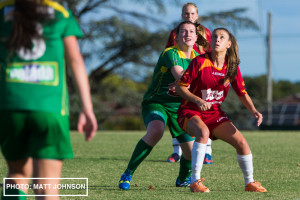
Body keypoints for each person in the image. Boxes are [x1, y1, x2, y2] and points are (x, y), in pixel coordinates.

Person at [0, 0, 98, 199]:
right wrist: (87, 109)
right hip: (50, 108)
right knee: (46, 187)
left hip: (11, 107)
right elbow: (76, 61)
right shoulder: (60, 14)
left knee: (16, 175)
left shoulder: (3, 11)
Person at [118, 21, 209, 190]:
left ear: (196, 37)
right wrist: (187, 84)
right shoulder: (171, 53)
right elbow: (180, 74)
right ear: (177, 35)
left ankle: (182, 179)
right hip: (157, 102)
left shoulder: (199, 59)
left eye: (191, 32)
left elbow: (204, 83)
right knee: (156, 131)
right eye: (183, 31)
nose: (187, 34)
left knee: (190, 151)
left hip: (180, 108)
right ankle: (128, 173)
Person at [175, 27, 267, 193]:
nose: (217, 39)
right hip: (190, 111)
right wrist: (197, 99)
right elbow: (180, 87)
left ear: (229, 44)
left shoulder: (231, 67)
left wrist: (254, 110)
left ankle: (249, 183)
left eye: (222, 37)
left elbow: (242, 93)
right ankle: (195, 182)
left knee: (242, 144)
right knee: (202, 133)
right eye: (215, 37)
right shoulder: (200, 61)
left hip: (214, 114)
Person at [165, 2, 213, 164]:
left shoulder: (206, 32)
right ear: (182, 15)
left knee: (204, 111)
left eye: (192, 14)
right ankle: (176, 151)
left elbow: (212, 53)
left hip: (200, 76)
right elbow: (170, 55)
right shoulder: (175, 32)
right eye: (186, 14)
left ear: (197, 16)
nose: (189, 16)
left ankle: (207, 152)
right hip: (182, 76)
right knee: (179, 112)